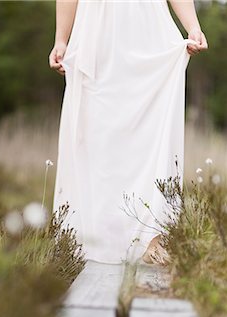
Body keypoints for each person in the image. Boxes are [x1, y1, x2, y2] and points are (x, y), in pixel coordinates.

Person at [49, 0, 208, 265]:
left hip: (147, 28)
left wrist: (193, 26)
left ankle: (152, 237)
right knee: (95, 134)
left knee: (149, 130)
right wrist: (61, 39)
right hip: (96, 35)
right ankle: (88, 238)